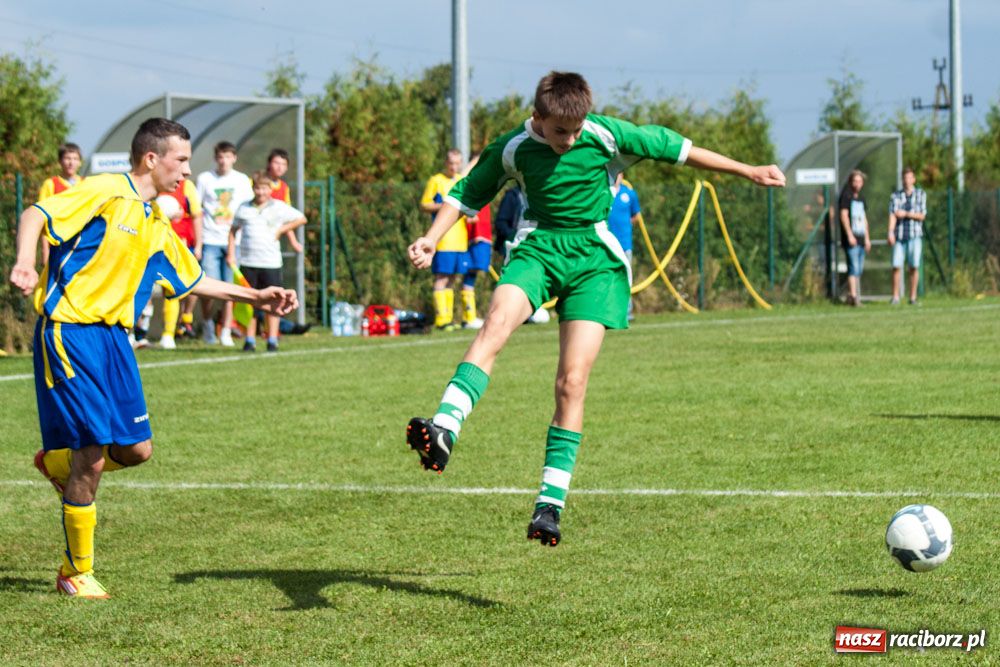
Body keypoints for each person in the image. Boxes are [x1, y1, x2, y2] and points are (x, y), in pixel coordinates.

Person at [405, 71, 785, 547]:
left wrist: (747, 170)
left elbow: (680, 150)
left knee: (572, 380)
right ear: (539, 118)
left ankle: (549, 505)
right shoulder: (513, 146)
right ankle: (444, 427)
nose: (571, 138)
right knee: (496, 324)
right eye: (561, 131)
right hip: (538, 248)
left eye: (577, 128)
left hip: (595, 262)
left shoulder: (605, 133)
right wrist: (429, 237)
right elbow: (462, 195)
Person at [8, 117, 297, 598]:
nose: (186, 170)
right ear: (151, 159)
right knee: (94, 456)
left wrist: (257, 297)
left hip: (116, 342)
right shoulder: (104, 190)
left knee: (137, 451)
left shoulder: (154, 222)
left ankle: (58, 466)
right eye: (181, 159)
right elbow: (36, 215)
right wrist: (24, 260)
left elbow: (192, 278)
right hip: (71, 332)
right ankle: (74, 572)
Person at [229, 171, 307, 352]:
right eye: (257, 188)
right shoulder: (244, 208)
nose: (261, 192)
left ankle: (272, 339)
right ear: (253, 189)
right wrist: (231, 254)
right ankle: (250, 339)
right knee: (250, 302)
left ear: (269, 190)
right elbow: (233, 231)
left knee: (273, 303)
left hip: (270, 263)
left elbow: (301, 218)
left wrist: (282, 230)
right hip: (248, 261)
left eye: (264, 188)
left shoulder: (278, 207)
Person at [195, 141, 253, 346]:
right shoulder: (205, 179)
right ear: (215, 158)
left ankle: (226, 329)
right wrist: (199, 244)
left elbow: (248, 211)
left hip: (233, 242)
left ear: (234, 158)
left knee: (229, 289)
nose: (223, 161)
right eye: (220, 157)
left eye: (227, 157)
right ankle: (208, 323)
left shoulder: (242, 180)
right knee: (208, 287)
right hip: (210, 239)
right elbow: (197, 212)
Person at [420, 149, 469, 331]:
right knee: (442, 277)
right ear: (445, 163)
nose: (454, 167)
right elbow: (424, 204)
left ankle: (449, 318)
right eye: (451, 163)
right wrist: (446, 207)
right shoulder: (436, 180)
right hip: (443, 240)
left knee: (453, 279)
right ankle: (441, 320)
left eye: (458, 163)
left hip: (460, 240)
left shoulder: (460, 181)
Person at [155, 177, 202, 348]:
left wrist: (198, 245)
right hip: (156, 244)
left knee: (176, 288)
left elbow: (197, 216)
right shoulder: (153, 184)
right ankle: (140, 333)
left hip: (180, 246)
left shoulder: (187, 186)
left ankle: (172, 331)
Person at [888, 167, 927, 306]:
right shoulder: (895, 196)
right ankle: (895, 297)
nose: (907, 180)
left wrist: (906, 214)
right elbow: (892, 215)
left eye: (910, 177)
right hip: (899, 236)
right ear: (902, 180)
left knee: (914, 266)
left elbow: (922, 215)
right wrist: (890, 232)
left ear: (914, 179)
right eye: (905, 178)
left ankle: (913, 297)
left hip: (915, 235)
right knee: (896, 265)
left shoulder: (921, 194)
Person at [608, 173, 642, 320]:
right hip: (605, 244)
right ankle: (607, 311)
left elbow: (636, 216)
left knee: (625, 277)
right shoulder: (602, 192)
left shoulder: (629, 194)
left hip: (624, 243)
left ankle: (626, 312)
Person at [838, 169, 870, 307]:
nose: (857, 184)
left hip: (862, 238)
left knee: (859, 269)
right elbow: (844, 216)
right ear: (851, 182)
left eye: (859, 181)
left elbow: (864, 219)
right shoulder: (846, 196)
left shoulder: (861, 199)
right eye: (855, 181)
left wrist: (867, 238)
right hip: (851, 239)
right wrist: (850, 235)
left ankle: (852, 295)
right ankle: (854, 297)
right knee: (853, 267)